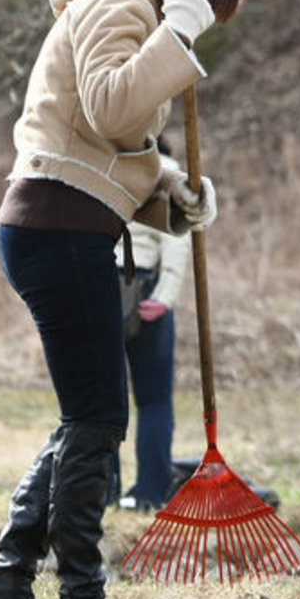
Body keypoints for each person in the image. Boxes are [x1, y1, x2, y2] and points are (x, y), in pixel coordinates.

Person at [0, 0, 250, 599]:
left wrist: (170, 190)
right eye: (212, 10)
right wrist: (177, 36)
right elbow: (110, 104)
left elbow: (107, 141)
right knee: (97, 420)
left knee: (85, 415)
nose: (206, 26)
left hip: (68, 224)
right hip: (58, 230)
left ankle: (7, 586)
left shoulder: (127, 4)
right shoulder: (119, 3)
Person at [111, 136, 192, 514]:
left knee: (100, 404)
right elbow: (176, 238)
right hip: (144, 288)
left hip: (100, 285)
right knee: (155, 399)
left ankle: (102, 492)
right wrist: (165, 294)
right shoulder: (169, 174)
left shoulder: (105, 167)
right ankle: (150, 493)